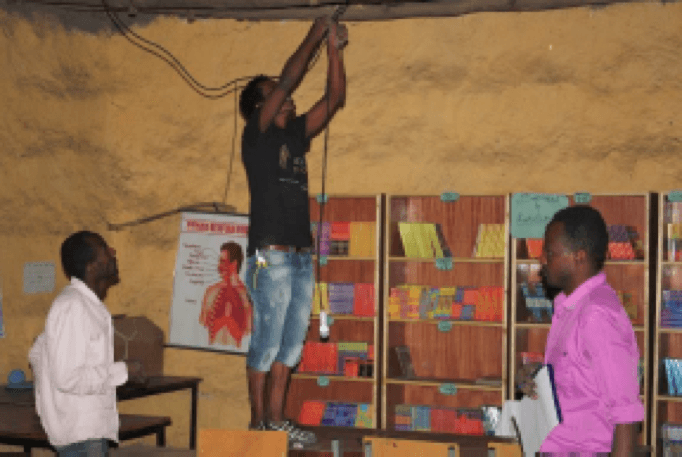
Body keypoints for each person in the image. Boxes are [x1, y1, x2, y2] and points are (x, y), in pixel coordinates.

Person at [238, 15, 347, 446]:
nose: (289, 101)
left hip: (301, 257)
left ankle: (277, 419)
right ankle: (258, 423)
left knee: (291, 347)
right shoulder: (256, 135)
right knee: (266, 341)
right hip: (271, 255)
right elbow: (289, 79)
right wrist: (317, 30)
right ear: (261, 107)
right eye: (277, 97)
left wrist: (335, 47)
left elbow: (335, 97)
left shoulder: (297, 136)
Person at [519, 206, 644, 455]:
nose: (542, 259)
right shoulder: (569, 308)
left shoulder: (597, 316)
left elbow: (626, 414)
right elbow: (579, 382)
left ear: (579, 256)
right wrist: (537, 376)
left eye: (550, 253)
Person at [28, 231, 144, 456]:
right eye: (105, 250)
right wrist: (123, 371)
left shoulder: (85, 306)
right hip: (81, 439)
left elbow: (39, 351)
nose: (113, 254)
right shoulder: (73, 307)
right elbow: (67, 377)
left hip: (87, 436)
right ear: (91, 267)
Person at [199, 242, 252, 348]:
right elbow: (202, 324)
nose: (219, 266)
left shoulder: (247, 296)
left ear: (234, 264)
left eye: (223, 262)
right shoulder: (211, 292)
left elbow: (249, 330)